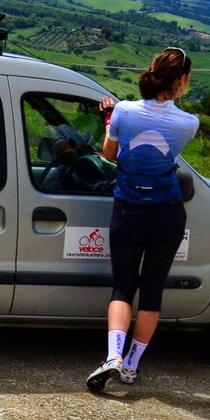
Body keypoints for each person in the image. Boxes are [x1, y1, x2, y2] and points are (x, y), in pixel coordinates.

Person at [86, 47, 199, 392]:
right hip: (167, 212)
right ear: (181, 81)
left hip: (128, 209)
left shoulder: (123, 110)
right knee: (152, 291)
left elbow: (110, 154)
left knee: (123, 286)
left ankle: (114, 357)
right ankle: (132, 366)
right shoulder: (188, 123)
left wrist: (108, 120)